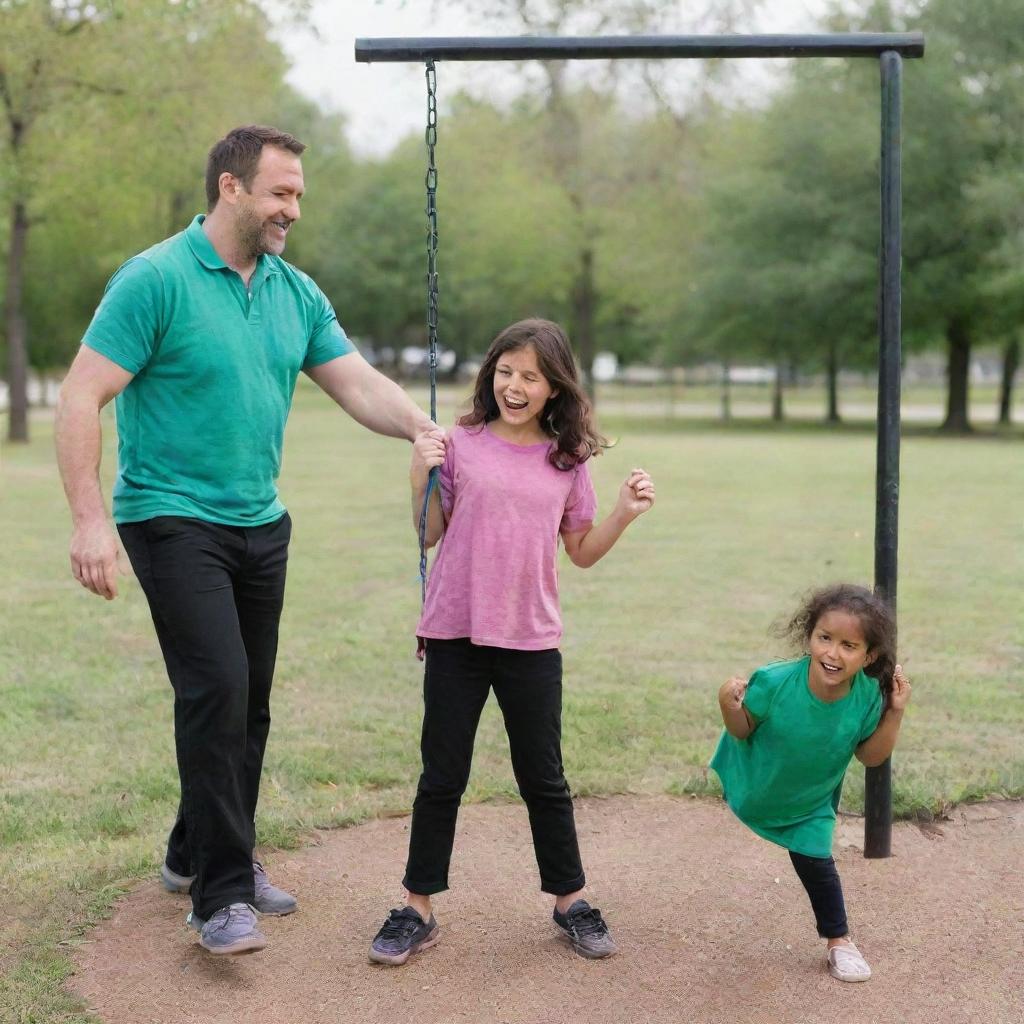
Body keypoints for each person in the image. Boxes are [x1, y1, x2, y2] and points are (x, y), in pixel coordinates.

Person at [55, 125, 436, 956]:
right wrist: (89, 520)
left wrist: (420, 429)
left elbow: (357, 383)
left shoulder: (295, 293)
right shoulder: (153, 280)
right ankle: (221, 896)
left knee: (248, 702)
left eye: (297, 194)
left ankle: (196, 852)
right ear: (231, 188)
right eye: (281, 193)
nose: (293, 209)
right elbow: (82, 395)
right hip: (169, 515)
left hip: (260, 523)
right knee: (218, 689)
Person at [367, 318, 655, 966]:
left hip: (529, 640)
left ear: (555, 388)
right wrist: (420, 476)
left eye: (530, 375)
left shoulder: (566, 460)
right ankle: (417, 907)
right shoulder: (461, 442)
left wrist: (622, 515)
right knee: (441, 776)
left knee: (544, 778)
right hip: (455, 633)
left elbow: (580, 551)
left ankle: (570, 901)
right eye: (505, 371)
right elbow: (430, 533)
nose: (514, 385)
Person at [710, 583, 912, 983]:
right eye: (825, 638)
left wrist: (895, 713)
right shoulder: (774, 680)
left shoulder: (869, 696)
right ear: (810, 637)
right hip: (756, 787)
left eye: (849, 646)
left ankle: (839, 941)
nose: (832, 653)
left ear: (868, 655)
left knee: (818, 864)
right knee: (798, 840)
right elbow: (741, 728)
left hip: (810, 804)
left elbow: (870, 756)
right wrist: (726, 704)